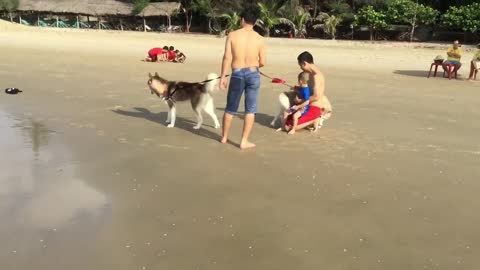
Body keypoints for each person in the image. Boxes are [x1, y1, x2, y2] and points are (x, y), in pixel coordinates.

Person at [219, 4, 266, 149]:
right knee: (250, 109)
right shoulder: (259, 38)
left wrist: (223, 77)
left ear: (242, 20)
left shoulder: (232, 35)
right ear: (255, 21)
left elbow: (227, 57)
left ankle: (224, 137)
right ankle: (243, 141)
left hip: (237, 73)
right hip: (253, 73)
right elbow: (263, 62)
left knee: (230, 108)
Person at [286, 51, 327, 133]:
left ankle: (315, 119)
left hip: (314, 108)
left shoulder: (316, 76)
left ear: (304, 63)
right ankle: (310, 121)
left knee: (288, 127)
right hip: (306, 107)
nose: (301, 68)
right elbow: (308, 90)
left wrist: (301, 102)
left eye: (300, 66)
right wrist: (297, 88)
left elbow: (316, 96)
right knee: (287, 121)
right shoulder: (310, 74)